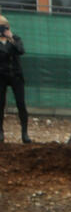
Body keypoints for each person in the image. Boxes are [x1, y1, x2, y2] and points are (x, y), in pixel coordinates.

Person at [0, 14, 30, 143]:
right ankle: (0, 132)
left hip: (16, 75)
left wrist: (11, 38)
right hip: (1, 76)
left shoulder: (16, 39)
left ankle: (24, 133)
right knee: (0, 104)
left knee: (21, 104)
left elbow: (21, 51)